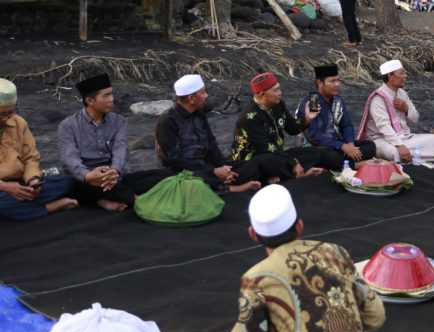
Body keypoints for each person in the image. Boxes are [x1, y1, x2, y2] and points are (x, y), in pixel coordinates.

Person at [229, 184, 385, 332]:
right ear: (299, 226)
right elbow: (375, 315)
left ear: (253, 234)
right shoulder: (336, 252)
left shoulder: (256, 278)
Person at [158, 75, 317, 194]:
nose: (206, 96)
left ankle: (232, 183)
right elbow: (174, 161)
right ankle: (231, 188)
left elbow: (212, 145)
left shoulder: (199, 114)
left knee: (261, 162)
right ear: (191, 98)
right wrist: (212, 171)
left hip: (212, 167)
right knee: (196, 182)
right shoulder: (167, 122)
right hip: (188, 173)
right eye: (203, 93)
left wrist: (222, 167)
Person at [57, 73, 170, 211]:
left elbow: (120, 150)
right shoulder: (68, 125)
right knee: (77, 185)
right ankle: (134, 200)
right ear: (90, 101)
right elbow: (69, 159)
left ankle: (104, 199)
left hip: (114, 176)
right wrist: (88, 175)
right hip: (85, 178)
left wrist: (114, 171)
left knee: (164, 176)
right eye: (106, 95)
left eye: (111, 94)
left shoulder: (119, 121)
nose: (112, 99)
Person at [0, 78, 77, 221]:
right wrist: (6, 187)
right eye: (2, 114)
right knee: (2, 204)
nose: (7, 118)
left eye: (10, 113)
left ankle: (26, 205)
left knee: (70, 182)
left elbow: (30, 158)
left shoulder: (18, 123)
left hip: (21, 184)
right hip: (3, 189)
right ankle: (48, 208)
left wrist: (33, 180)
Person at [232, 72, 323, 172]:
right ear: (262, 94)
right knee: (282, 165)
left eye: (279, 88)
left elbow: (292, 129)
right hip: (252, 161)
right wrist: (293, 163)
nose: (280, 93)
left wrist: (307, 118)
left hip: (277, 154)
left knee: (317, 153)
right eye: (276, 90)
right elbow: (267, 149)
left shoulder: (278, 104)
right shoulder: (249, 118)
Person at [358, 60, 434, 163]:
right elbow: (384, 126)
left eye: (405, 73)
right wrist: (400, 146)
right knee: (394, 152)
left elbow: (415, 118)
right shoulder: (378, 99)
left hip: (404, 137)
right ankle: (413, 156)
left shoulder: (402, 93)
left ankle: (411, 157)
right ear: (390, 76)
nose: (405, 76)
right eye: (402, 73)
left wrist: (406, 109)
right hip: (381, 139)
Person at [305, 65, 377, 171]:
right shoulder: (313, 101)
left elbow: (346, 125)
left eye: (338, 80)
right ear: (320, 83)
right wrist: (342, 146)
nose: (337, 84)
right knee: (328, 156)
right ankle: (354, 165)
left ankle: (346, 163)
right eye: (332, 81)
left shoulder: (337, 100)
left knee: (370, 146)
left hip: (339, 144)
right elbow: (315, 136)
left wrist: (350, 144)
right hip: (321, 147)